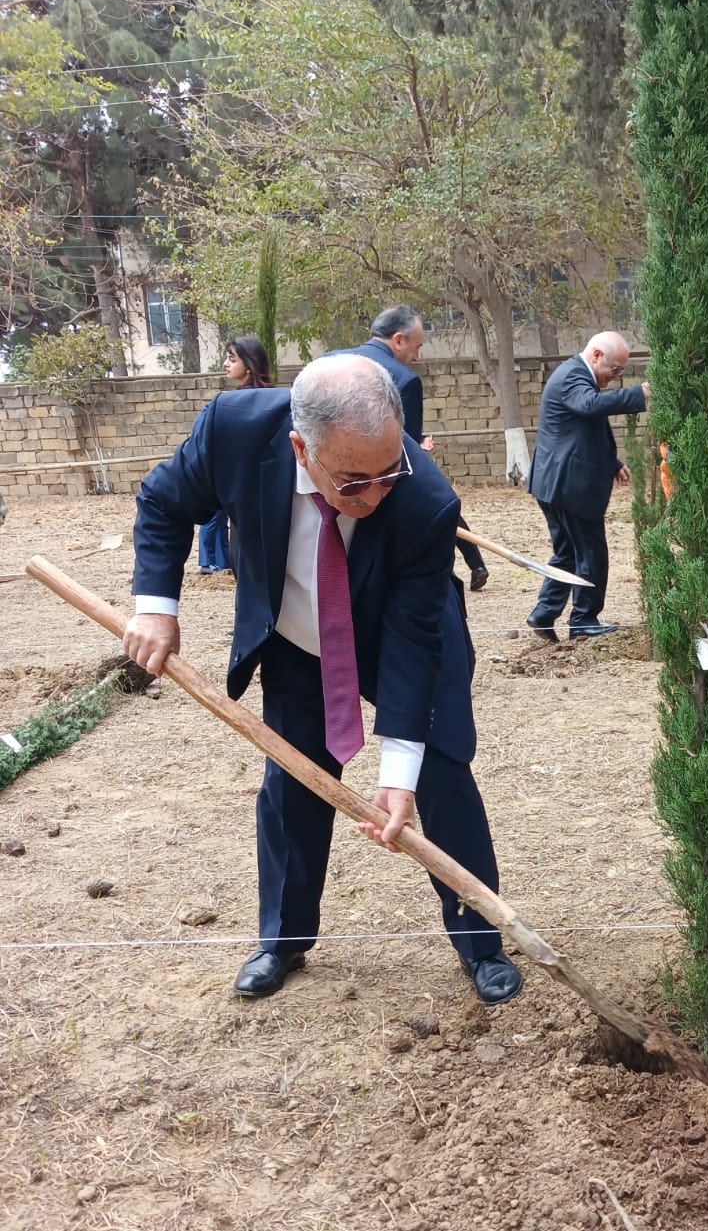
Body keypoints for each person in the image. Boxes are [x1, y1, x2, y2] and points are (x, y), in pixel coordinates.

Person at [123, 356, 523, 1007]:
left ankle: (481, 940)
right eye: (355, 481)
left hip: (404, 632)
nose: (377, 494)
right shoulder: (233, 429)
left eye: (389, 471)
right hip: (295, 634)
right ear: (300, 448)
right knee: (293, 779)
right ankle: (282, 940)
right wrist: (155, 609)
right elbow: (164, 502)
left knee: (441, 773)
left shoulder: (423, 497)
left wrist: (398, 772)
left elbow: (413, 640)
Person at [345, 305, 489, 592]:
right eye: (417, 347)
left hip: (335, 486)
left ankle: (475, 565)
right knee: (441, 503)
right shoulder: (403, 380)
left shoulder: (330, 362)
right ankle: (457, 573)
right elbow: (403, 455)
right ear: (399, 340)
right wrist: (417, 448)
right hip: (381, 488)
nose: (417, 357)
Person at [525, 331, 649, 641]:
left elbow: (582, 430)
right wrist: (640, 394)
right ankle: (583, 619)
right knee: (591, 552)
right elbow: (590, 405)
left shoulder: (578, 375)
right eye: (615, 369)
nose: (615, 376)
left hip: (556, 483)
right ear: (596, 355)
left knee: (566, 553)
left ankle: (544, 614)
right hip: (569, 487)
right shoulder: (572, 376)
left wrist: (613, 463)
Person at [197, 336, 273, 574]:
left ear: (250, 364)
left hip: (241, 495)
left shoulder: (224, 406)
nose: (225, 364)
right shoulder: (279, 401)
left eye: (232, 359)